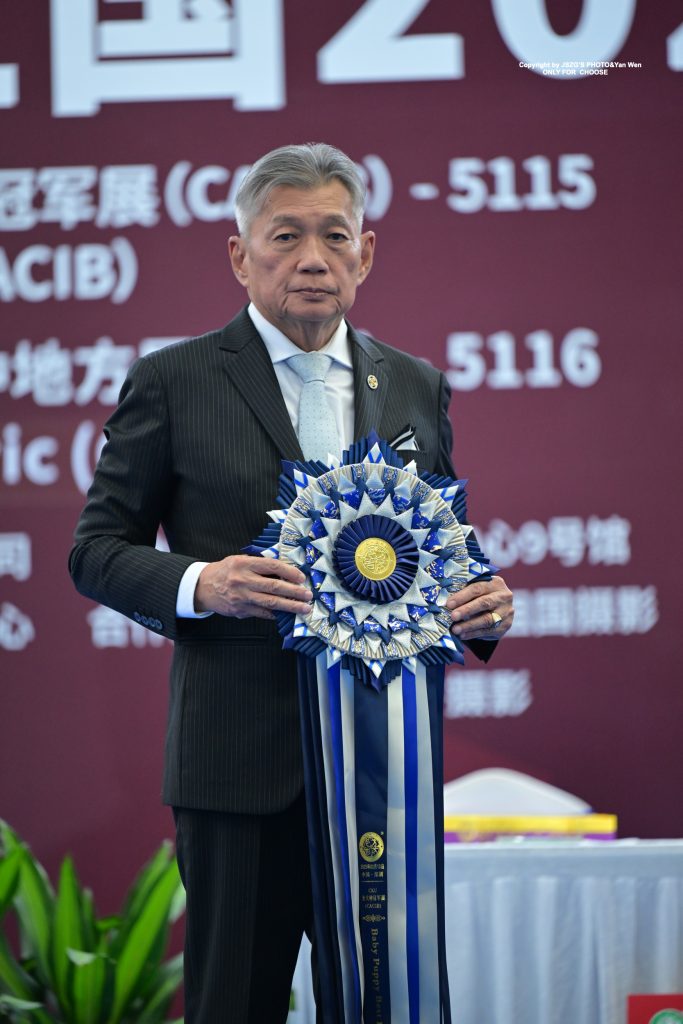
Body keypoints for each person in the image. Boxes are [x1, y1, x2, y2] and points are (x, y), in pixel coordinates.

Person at [69, 142, 514, 1023]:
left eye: (333, 236)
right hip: (241, 773)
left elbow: (434, 551)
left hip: (383, 773)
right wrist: (203, 582)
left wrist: (482, 604)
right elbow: (96, 549)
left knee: (391, 1005)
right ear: (241, 256)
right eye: (285, 237)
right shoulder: (174, 381)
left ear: (365, 253)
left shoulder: (414, 385)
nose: (312, 259)